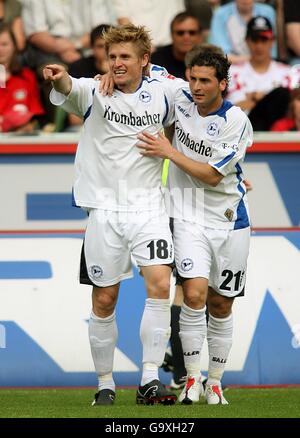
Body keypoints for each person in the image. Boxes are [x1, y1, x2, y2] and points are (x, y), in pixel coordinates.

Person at [43, 24, 187, 406]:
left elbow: (198, 94)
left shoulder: (164, 90)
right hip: (104, 212)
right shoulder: (94, 91)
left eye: (125, 57)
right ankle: (105, 383)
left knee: (159, 284)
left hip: (148, 208)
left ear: (144, 61)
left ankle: (149, 379)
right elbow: (67, 88)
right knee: (104, 301)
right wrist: (59, 78)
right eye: (112, 57)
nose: (117, 64)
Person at [137, 49, 253, 405]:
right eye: (193, 79)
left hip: (229, 220)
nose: (198, 87)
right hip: (187, 217)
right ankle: (192, 379)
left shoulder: (236, 121)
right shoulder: (181, 95)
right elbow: (144, 67)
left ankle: (215, 380)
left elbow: (212, 175)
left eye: (206, 80)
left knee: (221, 304)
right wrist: (104, 77)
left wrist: (169, 151)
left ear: (222, 83)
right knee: (194, 294)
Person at [227, 16, 298, 131]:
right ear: (247, 41)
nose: (259, 46)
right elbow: (227, 110)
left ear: (272, 41)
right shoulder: (232, 72)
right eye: (255, 39)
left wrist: (253, 99)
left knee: (281, 94)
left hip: (278, 134)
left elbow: (292, 112)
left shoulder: (288, 73)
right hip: (239, 131)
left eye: (264, 39)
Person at [0, 23, 44, 133]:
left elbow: (35, 116)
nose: (0, 49)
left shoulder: (27, 77)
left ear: (14, 46)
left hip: (19, 141)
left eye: (4, 44)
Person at [209, 0, 277, 63]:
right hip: (231, 69)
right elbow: (220, 56)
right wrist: (253, 60)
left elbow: (272, 52)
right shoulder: (220, 14)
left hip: (263, 67)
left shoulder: (268, 12)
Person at [151, 12, 203, 79]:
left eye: (192, 32)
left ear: (200, 36)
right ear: (171, 35)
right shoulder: (156, 61)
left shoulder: (211, 61)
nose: (186, 37)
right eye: (180, 33)